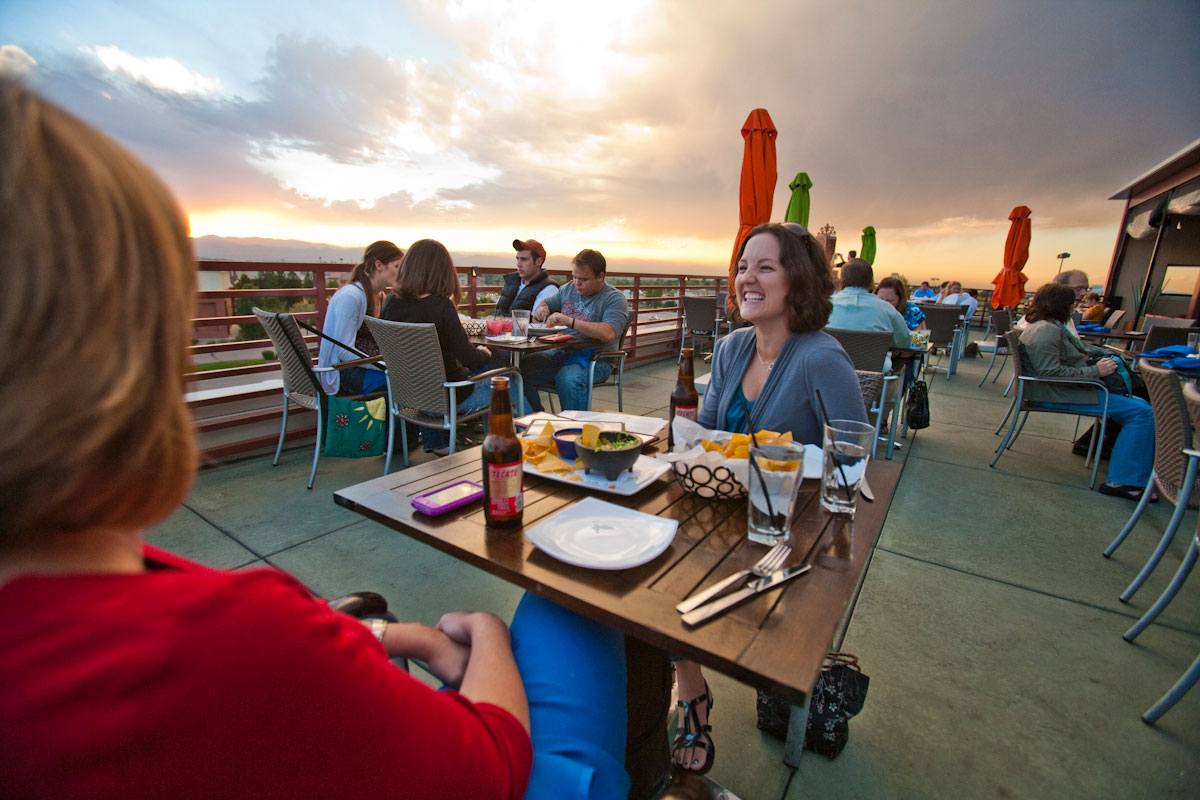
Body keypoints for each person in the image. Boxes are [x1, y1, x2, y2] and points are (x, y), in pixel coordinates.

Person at [0, 81, 631, 800]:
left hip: (405, 403)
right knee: (575, 596)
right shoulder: (239, 635)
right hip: (483, 743)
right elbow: (490, 763)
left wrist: (390, 639)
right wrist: (484, 628)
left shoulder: (79, 634)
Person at [675, 222, 867, 774]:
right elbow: (704, 434)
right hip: (722, 506)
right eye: (742, 266)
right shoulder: (734, 347)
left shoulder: (820, 357)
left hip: (789, 530)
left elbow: (853, 457)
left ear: (797, 282)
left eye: (765, 266)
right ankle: (690, 687)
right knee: (650, 566)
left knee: (680, 575)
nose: (746, 279)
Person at [381, 239, 521, 454]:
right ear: (443, 272)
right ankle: (502, 450)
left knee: (440, 374)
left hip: (410, 399)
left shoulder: (391, 303)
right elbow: (471, 359)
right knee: (507, 381)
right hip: (447, 400)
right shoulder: (441, 307)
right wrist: (484, 353)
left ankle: (439, 443)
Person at [1019, 283, 1155, 501]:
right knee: (1142, 412)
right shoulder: (1046, 330)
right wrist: (1096, 370)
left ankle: (1126, 468)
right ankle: (1123, 480)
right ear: (1059, 304)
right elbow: (1049, 372)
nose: (1075, 307)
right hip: (1057, 394)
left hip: (1061, 390)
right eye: (1072, 303)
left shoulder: (1045, 326)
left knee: (1140, 406)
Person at [523, 248, 629, 411]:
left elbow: (608, 333)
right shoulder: (569, 289)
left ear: (601, 276)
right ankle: (537, 421)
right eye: (574, 277)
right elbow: (547, 304)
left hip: (597, 358)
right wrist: (541, 309)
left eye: (583, 279)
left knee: (568, 379)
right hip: (562, 352)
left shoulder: (614, 298)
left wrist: (570, 321)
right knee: (519, 370)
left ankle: (574, 430)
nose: (577, 283)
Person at [317, 240, 402, 396]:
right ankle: (401, 420)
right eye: (397, 267)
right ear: (378, 265)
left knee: (411, 379)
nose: (401, 272)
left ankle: (399, 420)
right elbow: (343, 351)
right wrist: (384, 365)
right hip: (343, 372)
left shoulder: (381, 296)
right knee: (403, 383)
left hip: (364, 366)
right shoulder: (351, 296)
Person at [495, 237, 558, 316]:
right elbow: (498, 314)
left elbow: (536, 323)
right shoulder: (512, 282)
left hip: (523, 328)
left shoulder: (549, 289)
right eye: (517, 259)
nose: (518, 264)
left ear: (538, 261)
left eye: (524, 259)